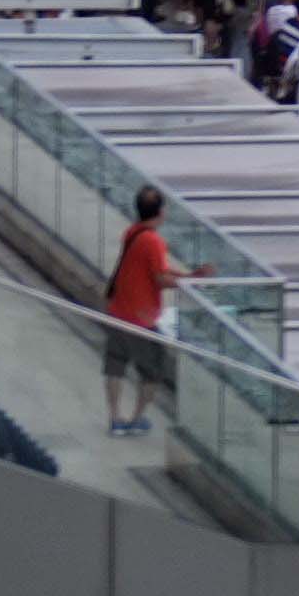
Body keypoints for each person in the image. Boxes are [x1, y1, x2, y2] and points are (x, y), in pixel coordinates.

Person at [101, 183, 187, 436]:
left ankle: (115, 418)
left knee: (115, 366)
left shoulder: (132, 232)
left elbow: (149, 269)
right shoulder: (154, 241)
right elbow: (160, 279)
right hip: (142, 319)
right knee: (151, 372)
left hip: (119, 310)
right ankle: (136, 419)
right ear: (160, 212)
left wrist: (184, 275)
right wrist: (185, 282)